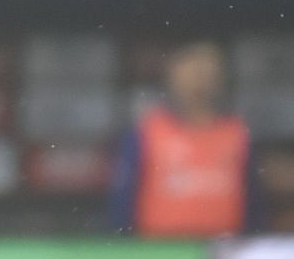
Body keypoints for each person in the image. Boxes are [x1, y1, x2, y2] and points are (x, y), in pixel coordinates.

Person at [110, 43, 262, 238]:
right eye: (193, 71)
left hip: (226, 253)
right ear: (172, 74)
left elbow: (254, 201)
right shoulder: (147, 132)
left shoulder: (238, 132)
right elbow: (122, 200)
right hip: (158, 251)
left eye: (207, 71)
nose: (200, 80)